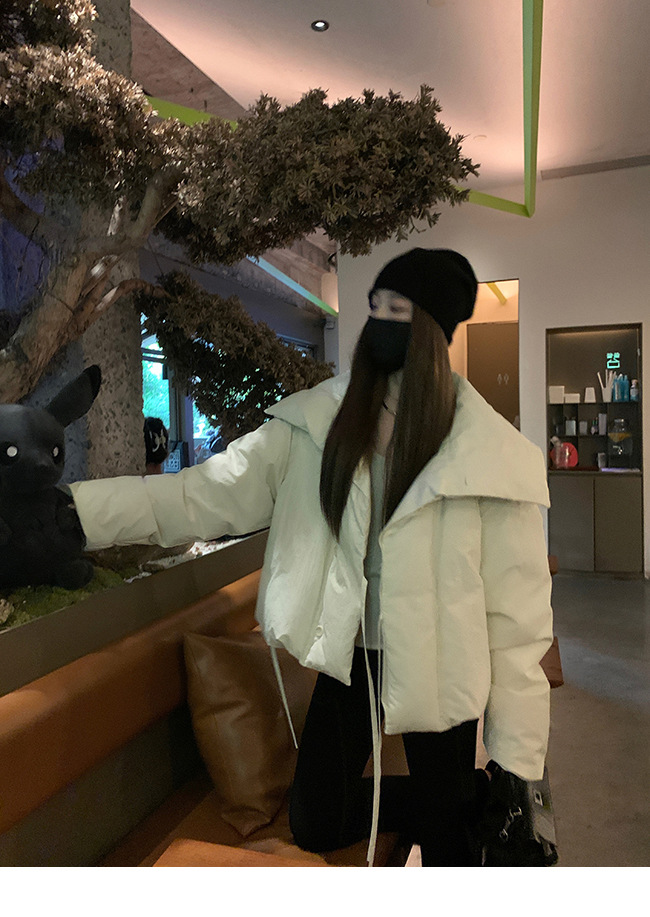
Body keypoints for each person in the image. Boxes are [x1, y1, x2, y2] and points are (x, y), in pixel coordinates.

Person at [69, 248, 553, 867]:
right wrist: (78, 513)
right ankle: (455, 802)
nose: (380, 320)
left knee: (449, 848)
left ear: (433, 329)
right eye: (375, 305)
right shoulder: (317, 423)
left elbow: (517, 626)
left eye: (398, 309)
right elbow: (202, 494)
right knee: (316, 820)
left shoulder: (487, 454)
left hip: (442, 662)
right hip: (352, 656)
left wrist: (516, 763)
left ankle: (457, 806)